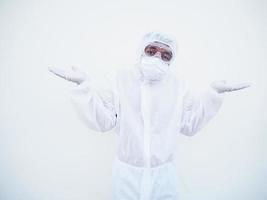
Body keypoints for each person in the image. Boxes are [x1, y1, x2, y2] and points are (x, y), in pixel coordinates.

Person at [48, 32, 251, 200]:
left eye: (165, 55)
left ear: (172, 60)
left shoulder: (178, 86)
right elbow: (104, 121)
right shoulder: (120, 79)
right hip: (126, 174)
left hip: (164, 175)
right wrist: (83, 88)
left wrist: (213, 95)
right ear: (141, 51)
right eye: (151, 51)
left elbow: (189, 125)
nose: (157, 58)